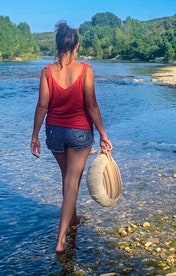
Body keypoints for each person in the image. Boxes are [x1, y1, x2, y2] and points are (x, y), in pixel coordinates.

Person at [30, 22, 112, 252]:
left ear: (57, 45)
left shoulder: (47, 71)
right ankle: (61, 239)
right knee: (71, 181)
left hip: (54, 132)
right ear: (76, 46)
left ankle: (73, 219)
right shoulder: (85, 70)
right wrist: (103, 134)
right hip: (79, 132)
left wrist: (34, 136)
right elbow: (92, 105)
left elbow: (42, 105)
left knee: (67, 178)